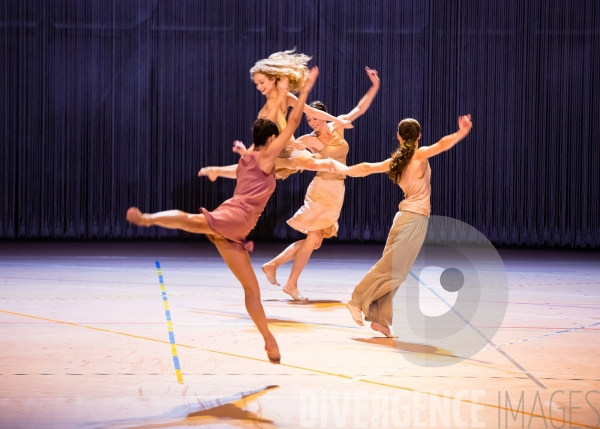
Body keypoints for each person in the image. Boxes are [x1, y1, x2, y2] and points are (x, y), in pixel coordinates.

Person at [125, 68, 322, 364]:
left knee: (251, 290)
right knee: (193, 221)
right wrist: (307, 87)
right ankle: (149, 219)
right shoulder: (267, 156)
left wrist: (224, 165)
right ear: (271, 137)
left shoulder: (246, 158)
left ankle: (269, 341)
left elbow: (252, 160)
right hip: (236, 218)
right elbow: (294, 120)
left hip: (234, 231)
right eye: (277, 136)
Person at [330, 115, 473, 337]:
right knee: (392, 270)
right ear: (418, 136)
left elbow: (367, 168)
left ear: (398, 136)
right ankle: (356, 301)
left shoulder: (396, 162)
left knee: (393, 271)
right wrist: (461, 132)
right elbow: (442, 145)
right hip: (414, 220)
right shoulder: (418, 156)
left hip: (403, 219)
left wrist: (343, 170)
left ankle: (380, 320)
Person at [261, 67, 381, 301]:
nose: (312, 122)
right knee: (314, 238)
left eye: (315, 118)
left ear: (325, 117)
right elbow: (290, 144)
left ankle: (273, 266)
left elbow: (359, 108)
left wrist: (375, 85)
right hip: (321, 190)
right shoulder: (308, 140)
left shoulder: (338, 128)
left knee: (314, 241)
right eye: (309, 118)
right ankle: (291, 284)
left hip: (338, 191)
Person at [198, 49, 352, 181]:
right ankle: (217, 170)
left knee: (253, 168)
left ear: (273, 79)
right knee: (251, 169)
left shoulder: (283, 98)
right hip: (270, 144)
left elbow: (309, 111)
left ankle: (217, 170)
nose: (259, 87)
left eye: (262, 82)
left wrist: (337, 120)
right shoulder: (277, 100)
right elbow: (283, 123)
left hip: (278, 144)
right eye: (257, 84)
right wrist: (292, 142)